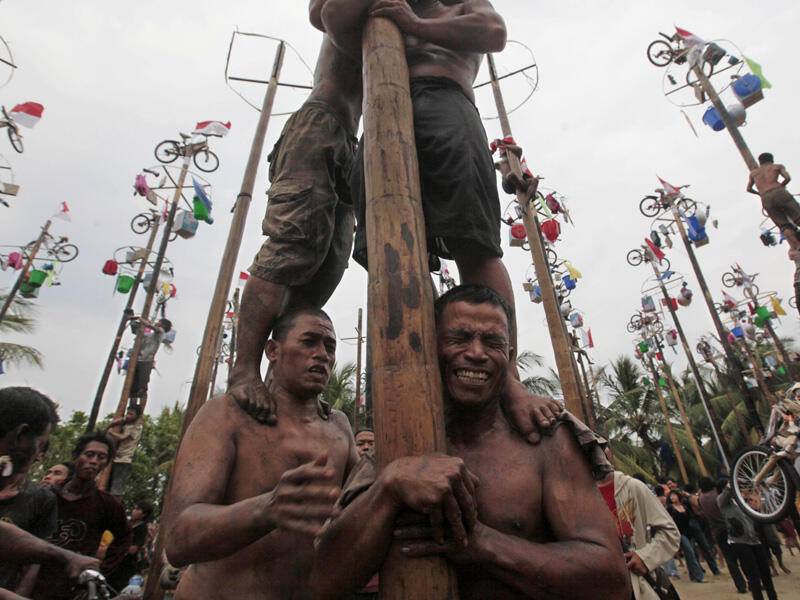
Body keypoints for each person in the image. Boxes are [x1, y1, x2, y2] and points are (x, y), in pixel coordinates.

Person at [318, 0, 562, 442]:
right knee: (391, 258)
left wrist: (415, 22)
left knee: (475, 244)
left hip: (445, 98)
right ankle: (422, 372)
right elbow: (331, 17)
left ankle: (506, 379)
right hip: (381, 112)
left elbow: (493, 31)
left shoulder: (455, 4)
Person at [311, 285, 630, 599]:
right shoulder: (395, 450)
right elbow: (323, 584)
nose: (476, 353)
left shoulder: (546, 441)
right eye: (459, 338)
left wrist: (480, 543)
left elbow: (612, 580)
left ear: (509, 358)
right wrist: (388, 488)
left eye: (492, 342)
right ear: (431, 348)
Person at [225, 2, 364, 425]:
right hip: (319, 125)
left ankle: (278, 381)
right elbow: (321, 10)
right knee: (293, 247)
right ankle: (244, 369)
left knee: (329, 265)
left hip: (349, 144)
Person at [165, 308, 359, 600]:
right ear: (273, 350)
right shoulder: (226, 414)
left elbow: (361, 505)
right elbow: (178, 539)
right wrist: (266, 509)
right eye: (309, 341)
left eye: (329, 346)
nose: (321, 354)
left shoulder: (339, 426)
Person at [0, 387, 99, 600]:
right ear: (20, 435)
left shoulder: (41, 499)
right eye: (40, 444)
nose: (37, 454)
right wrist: (64, 556)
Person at [31, 432, 132, 600]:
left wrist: (98, 572)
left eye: (101, 457)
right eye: (89, 454)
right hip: (32, 581)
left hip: (72, 589)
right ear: (75, 457)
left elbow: (124, 537)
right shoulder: (46, 497)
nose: (94, 461)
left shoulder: (106, 504)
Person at [597, 444, 681, 600]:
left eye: (602, 446)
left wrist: (645, 558)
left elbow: (670, 532)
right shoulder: (575, 498)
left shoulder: (633, 487)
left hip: (640, 587)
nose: (599, 453)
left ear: (610, 452)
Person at [717, 478, 779, 600]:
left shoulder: (744, 501)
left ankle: (773, 597)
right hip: (739, 542)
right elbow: (724, 496)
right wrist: (731, 484)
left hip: (755, 540)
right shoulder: (723, 501)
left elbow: (753, 488)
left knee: (765, 573)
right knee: (753, 576)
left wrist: (744, 480)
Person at [697, 475, 747, 593]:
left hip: (717, 532)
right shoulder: (717, 496)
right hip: (730, 527)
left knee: (730, 560)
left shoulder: (701, 499)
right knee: (743, 556)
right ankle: (751, 581)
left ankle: (740, 585)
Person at [747, 152, 799, 253]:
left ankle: (797, 246)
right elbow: (787, 178)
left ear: (760, 162)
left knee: (783, 226)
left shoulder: (753, 173)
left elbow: (749, 188)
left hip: (765, 197)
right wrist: (782, 185)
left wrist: (760, 193)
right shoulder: (777, 166)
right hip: (779, 191)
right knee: (798, 216)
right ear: (771, 160)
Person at [666, 490, 712, 582]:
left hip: (689, 532)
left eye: (674, 495)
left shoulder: (684, 507)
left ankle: (693, 575)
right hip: (679, 534)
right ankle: (699, 576)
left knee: (690, 554)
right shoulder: (670, 509)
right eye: (671, 496)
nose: (672, 497)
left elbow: (691, 518)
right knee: (690, 552)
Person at [107, 500, 154, 591]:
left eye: (137, 509)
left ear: (144, 514)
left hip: (125, 566)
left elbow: (133, 549)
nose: (134, 511)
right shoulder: (126, 524)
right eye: (134, 508)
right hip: (112, 561)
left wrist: (116, 548)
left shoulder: (142, 528)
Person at [106, 404, 143, 497]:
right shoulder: (126, 423)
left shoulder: (136, 427)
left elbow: (122, 437)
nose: (128, 416)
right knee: (106, 485)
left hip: (123, 460)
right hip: (114, 458)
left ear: (137, 416)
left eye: (131, 414)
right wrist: (112, 423)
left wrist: (111, 432)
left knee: (116, 488)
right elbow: (119, 421)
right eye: (128, 413)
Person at [130, 317, 171, 401]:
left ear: (162, 325)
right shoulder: (150, 335)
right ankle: (133, 394)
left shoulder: (160, 333)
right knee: (134, 381)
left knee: (143, 382)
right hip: (138, 359)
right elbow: (139, 334)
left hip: (147, 361)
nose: (156, 323)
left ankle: (141, 395)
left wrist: (139, 318)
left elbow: (150, 326)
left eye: (158, 322)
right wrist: (134, 324)